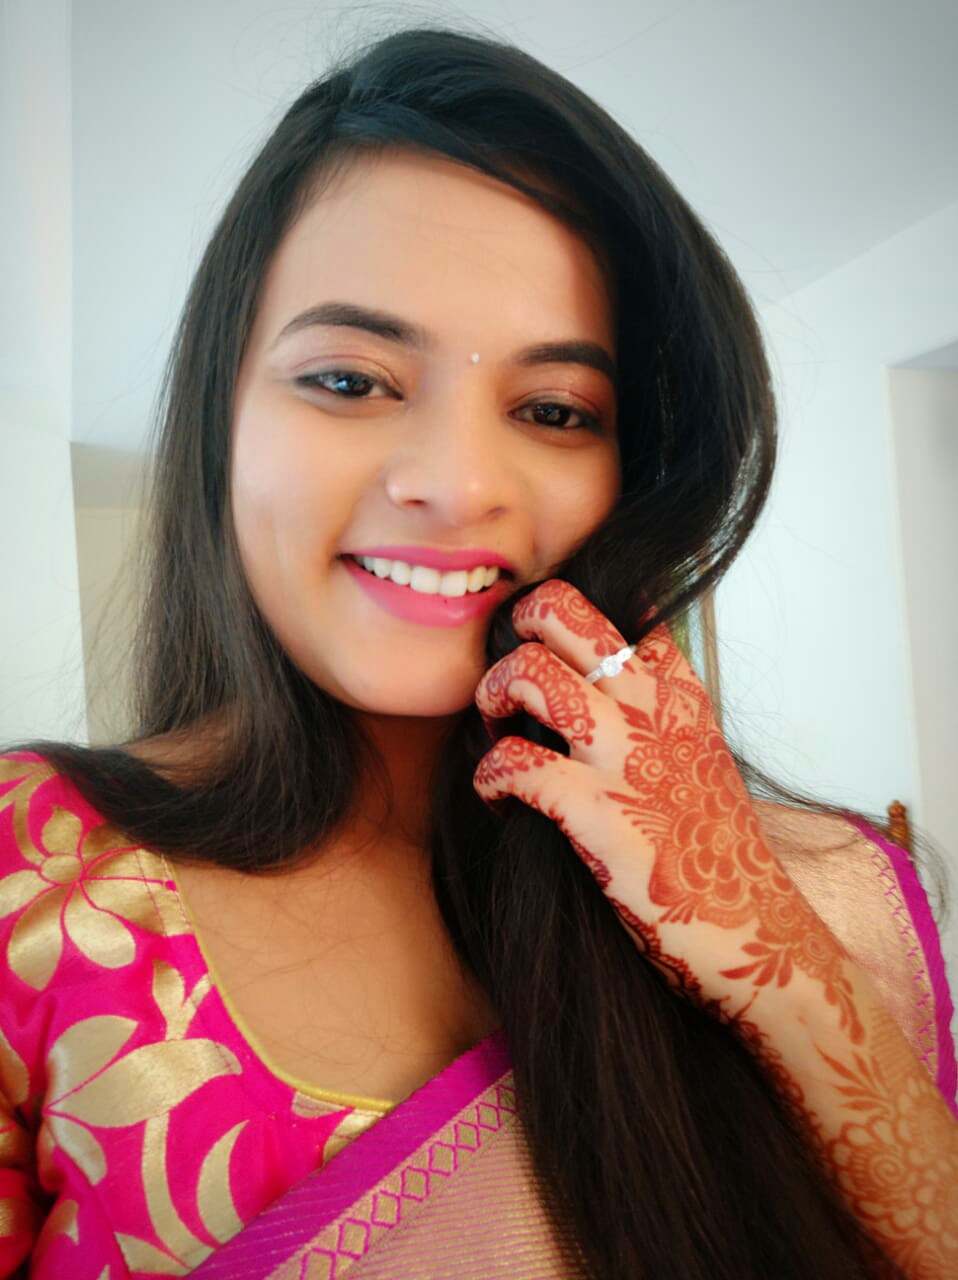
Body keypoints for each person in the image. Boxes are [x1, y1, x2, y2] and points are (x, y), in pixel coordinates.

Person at [1, 25, 955, 1280]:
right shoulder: (32, 877)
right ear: (220, 414)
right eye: (351, 380)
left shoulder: (814, 886)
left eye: (554, 409)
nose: (455, 484)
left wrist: (768, 954)